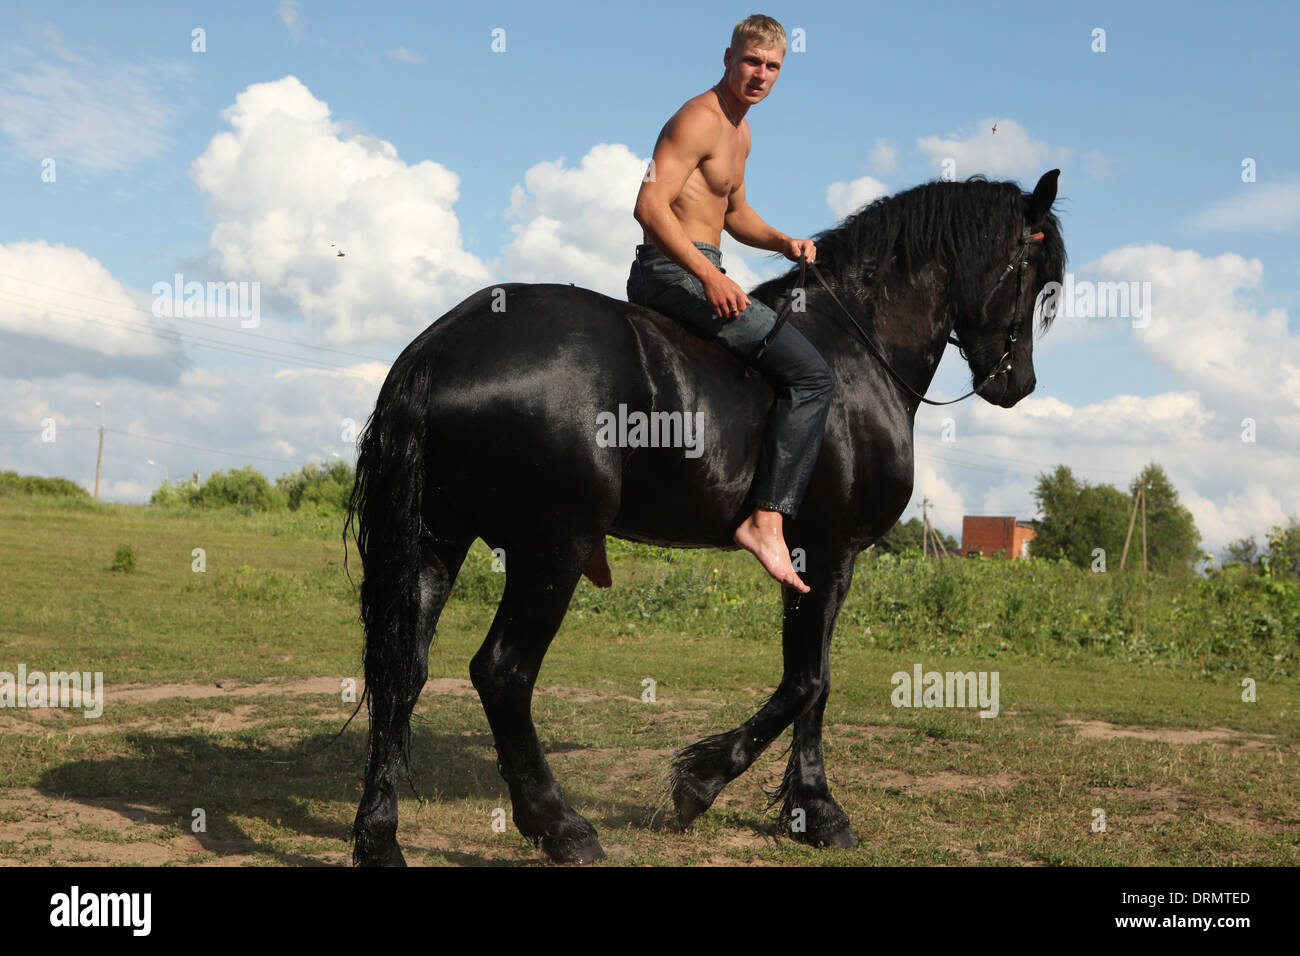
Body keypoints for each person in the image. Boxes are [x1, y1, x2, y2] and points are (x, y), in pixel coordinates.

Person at [628, 14, 835, 594]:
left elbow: (734, 214)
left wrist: (784, 242)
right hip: (671, 270)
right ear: (727, 57)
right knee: (812, 375)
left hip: (699, 265)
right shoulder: (698, 118)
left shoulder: (741, 132)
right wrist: (708, 277)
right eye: (752, 61)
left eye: (772, 67)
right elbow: (649, 207)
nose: (760, 74)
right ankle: (767, 520)